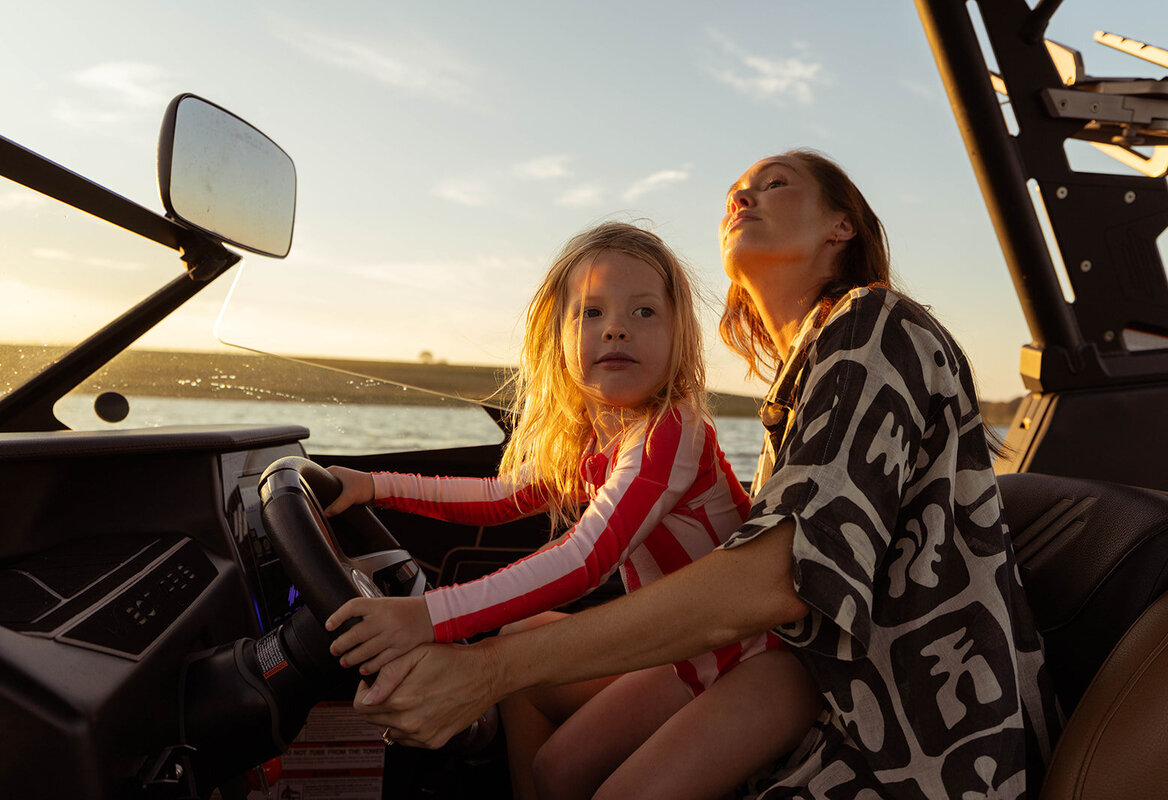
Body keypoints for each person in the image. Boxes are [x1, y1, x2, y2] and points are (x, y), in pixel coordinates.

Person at [345, 151, 1063, 799]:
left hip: (907, 726)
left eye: (773, 185)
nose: (742, 198)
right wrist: (371, 485)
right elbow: (514, 494)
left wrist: (473, 655)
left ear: (842, 225)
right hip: (784, 668)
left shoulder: (874, 323)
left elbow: (779, 580)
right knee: (556, 752)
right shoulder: (804, 380)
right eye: (733, 194)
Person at [322, 221, 819, 799]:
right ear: (557, 338)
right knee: (555, 770)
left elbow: (587, 557)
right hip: (689, 654)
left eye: (643, 313)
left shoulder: (673, 429)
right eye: (590, 313)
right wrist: (372, 485)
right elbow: (498, 499)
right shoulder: (594, 440)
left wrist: (429, 615)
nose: (615, 329)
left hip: (767, 660)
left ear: (678, 335)